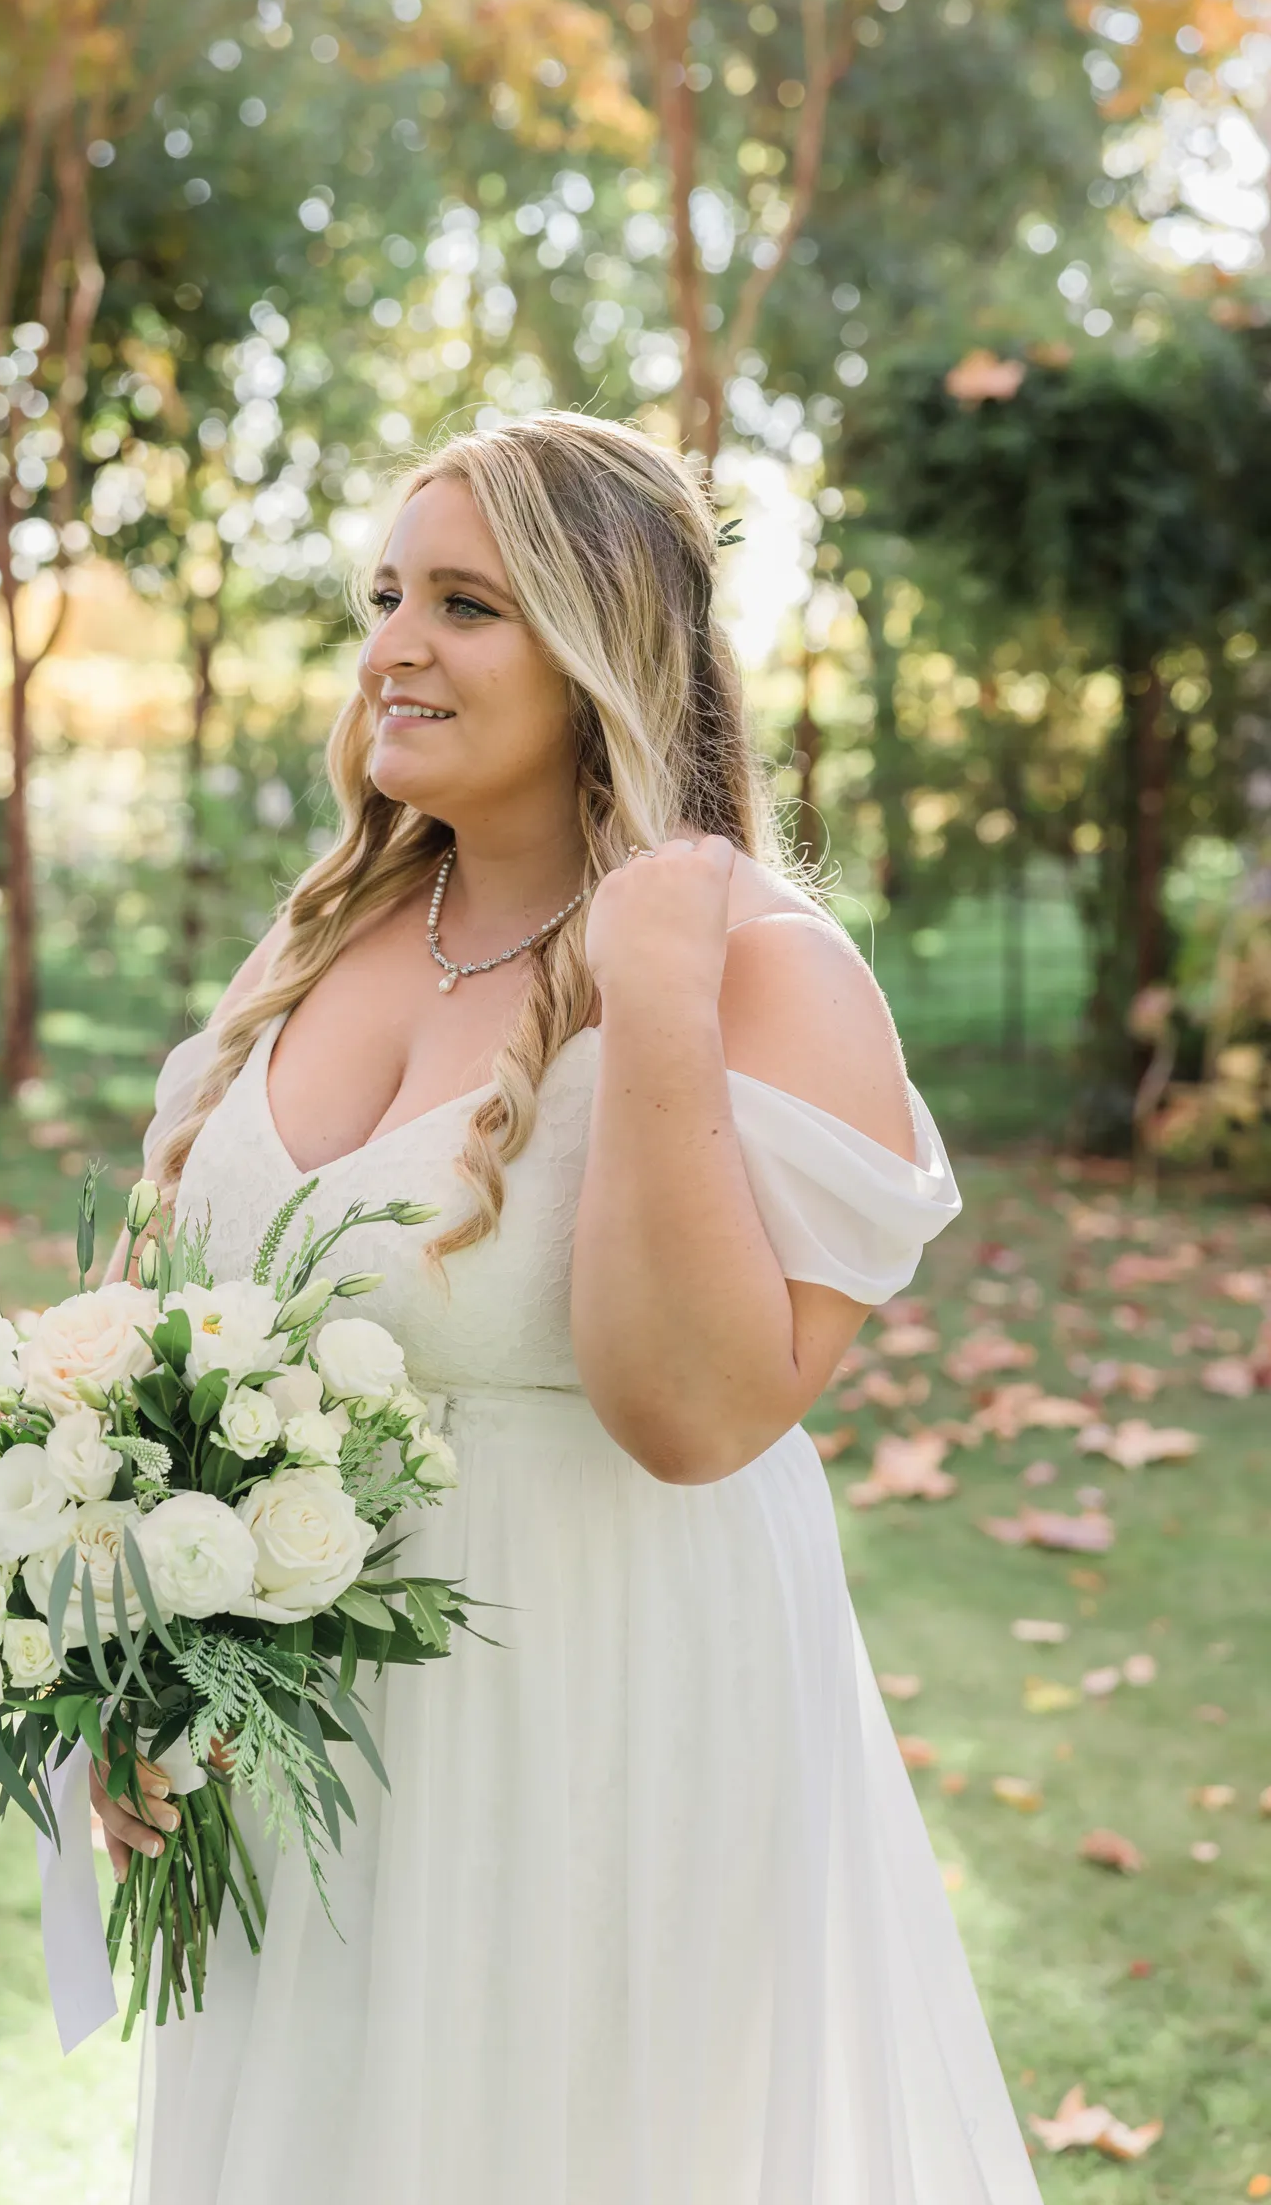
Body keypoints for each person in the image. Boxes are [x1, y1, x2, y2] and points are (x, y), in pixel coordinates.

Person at [93, 412, 1042, 2204]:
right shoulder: (318, 939)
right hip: (301, 1751)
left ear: (610, 644)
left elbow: (694, 1416)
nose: (396, 644)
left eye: (467, 604)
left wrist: (656, 997)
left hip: (595, 1729)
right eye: (387, 594)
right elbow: (159, 1342)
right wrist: (124, 1660)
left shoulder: (773, 972)